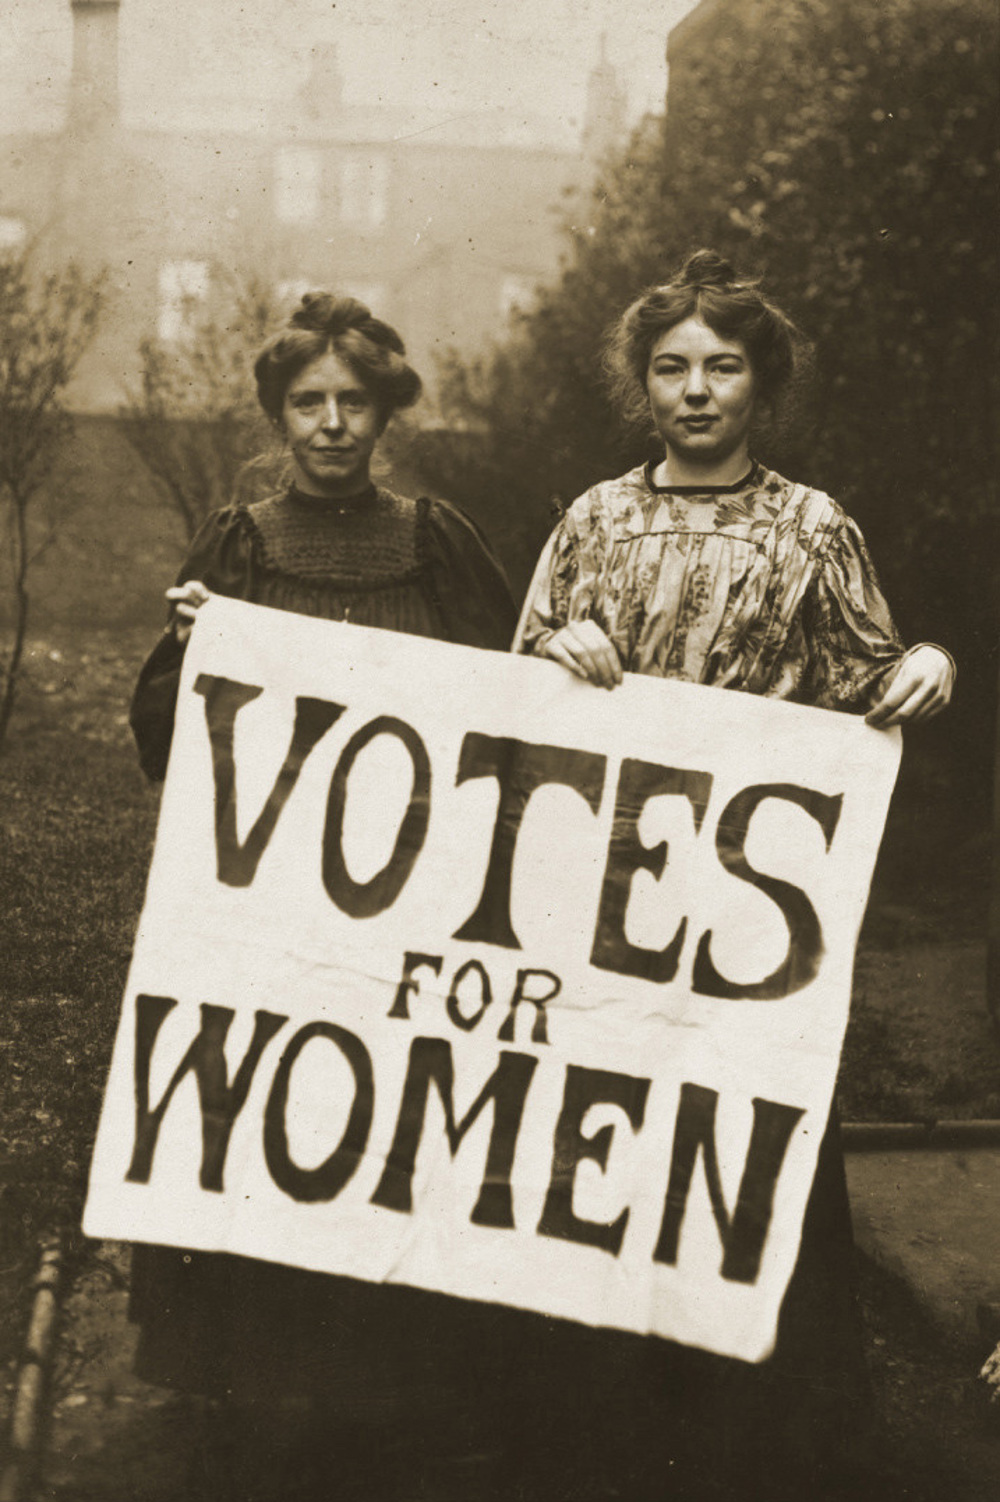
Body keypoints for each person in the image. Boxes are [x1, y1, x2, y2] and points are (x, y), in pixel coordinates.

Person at [509, 249, 954, 1500]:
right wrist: (562, 645)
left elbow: (871, 680)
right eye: (670, 367)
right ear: (640, 383)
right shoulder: (591, 519)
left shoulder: (814, 527)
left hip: (752, 904)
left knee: (751, 1140)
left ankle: (765, 1436)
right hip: (606, 894)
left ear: (763, 380)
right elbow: (514, 685)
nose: (696, 390)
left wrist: (927, 661)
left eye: (722, 365)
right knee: (601, 1139)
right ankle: (595, 1429)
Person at [127, 293, 517, 1499]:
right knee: (270, 1121)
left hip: (413, 906)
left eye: (355, 402)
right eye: (310, 403)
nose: (333, 424)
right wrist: (195, 649)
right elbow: (156, 732)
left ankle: (410, 1400)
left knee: (401, 1130)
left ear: (387, 412)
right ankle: (261, 1399)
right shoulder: (234, 545)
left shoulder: (436, 536)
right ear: (277, 412)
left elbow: (522, 702)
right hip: (269, 909)